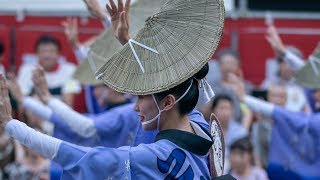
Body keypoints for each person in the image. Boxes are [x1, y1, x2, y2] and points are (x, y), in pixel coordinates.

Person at [1, 0, 226, 178]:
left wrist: (11, 124)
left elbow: (78, 153)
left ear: (168, 102)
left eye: (139, 96)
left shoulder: (147, 155)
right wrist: (125, 40)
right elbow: (161, 80)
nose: (135, 105)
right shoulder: (198, 124)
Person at [16, 35, 81, 107]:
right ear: (37, 54)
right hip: (33, 113)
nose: (47, 55)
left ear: (58, 54)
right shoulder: (26, 70)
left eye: (51, 51)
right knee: (35, 100)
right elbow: (22, 102)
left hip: (58, 114)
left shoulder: (70, 70)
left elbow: (68, 103)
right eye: (43, 51)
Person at [209, 94, 247, 172]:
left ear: (233, 111)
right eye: (222, 108)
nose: (225, 112)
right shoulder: (205, 129)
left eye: (228, 108)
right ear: (213, 110)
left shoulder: (240, 131)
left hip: (235, 169)